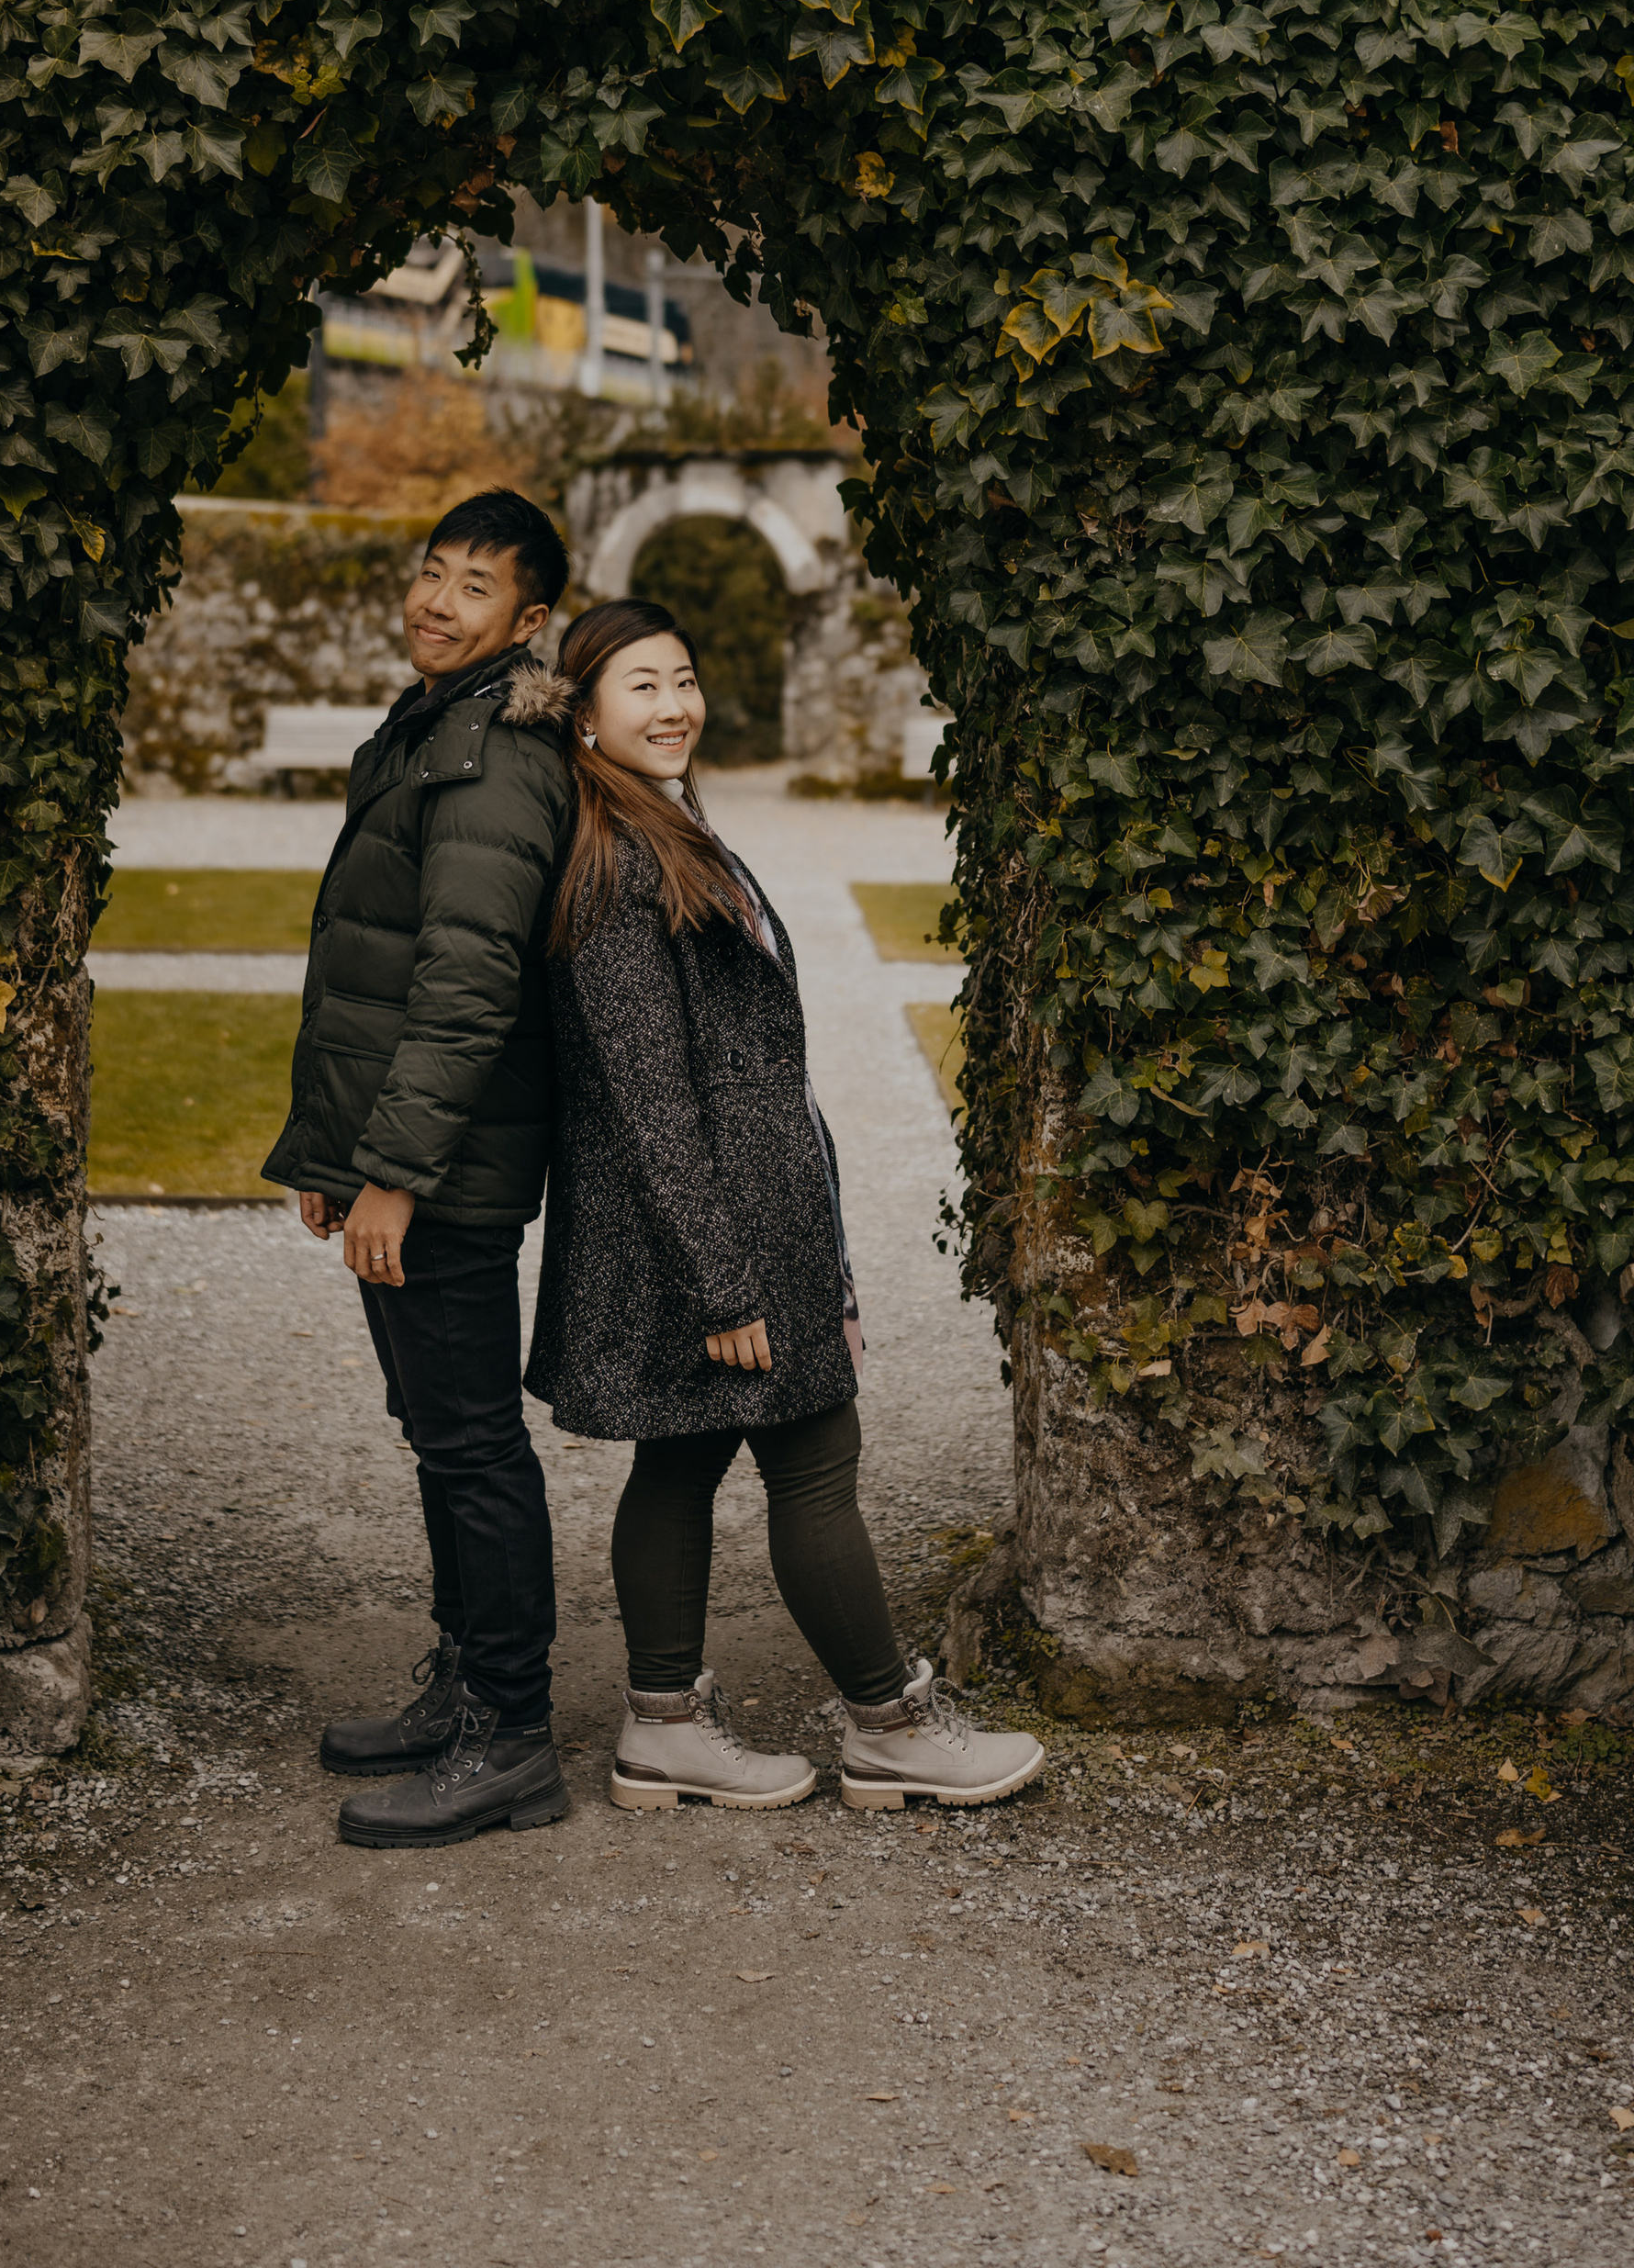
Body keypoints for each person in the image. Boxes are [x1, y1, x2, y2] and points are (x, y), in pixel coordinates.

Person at [525, 597, 1046, 1814]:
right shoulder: (612, 861)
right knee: (816, 1460)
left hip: (744, 1217)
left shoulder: (665, 824)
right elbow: (649, 1099)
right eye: (641, 685)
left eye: (685, 677)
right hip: (713, 1238)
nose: (674, 705)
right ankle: (892, 1726)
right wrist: (723, 1283)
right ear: (585, 716)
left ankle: (665, 1728)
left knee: (684, 1454)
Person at [261, 485, 578, 1849]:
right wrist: (340, 1154)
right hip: (407, 1153)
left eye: (473, 585)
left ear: (531, 620)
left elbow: (464, 987)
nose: (437, 601)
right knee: (440, 1437)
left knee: (471, 1444)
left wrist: (395, 1171)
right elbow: (365, 969)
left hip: (448, 1165)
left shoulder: (495, 754)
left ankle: (511, 1736)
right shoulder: (433, 727)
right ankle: (465, 1690)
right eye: (430, 573)